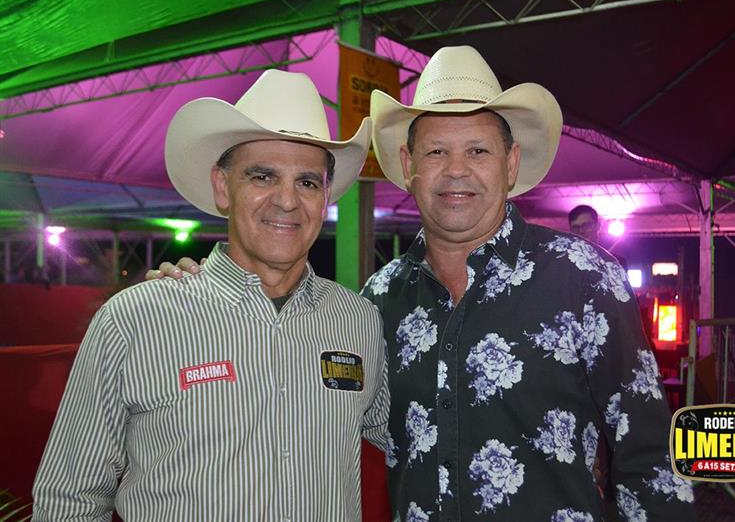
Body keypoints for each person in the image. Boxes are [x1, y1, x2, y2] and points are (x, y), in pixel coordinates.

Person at [154, 47, 696, 521]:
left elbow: (650, 456)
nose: (456, 170)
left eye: (478, 150)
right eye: (437, 151)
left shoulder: (583, 277)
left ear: (510, 164)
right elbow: (305, 406)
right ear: (408, 165)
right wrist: (201, 293)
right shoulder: (377, 301)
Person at [32, 69, 389, 521]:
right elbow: (69, 500)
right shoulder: (136, 319)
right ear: (222, 187)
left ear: (325, 197)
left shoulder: (358, 320)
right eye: (263, 176)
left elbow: (414, 438)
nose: (287, 200)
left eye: (307, 182)